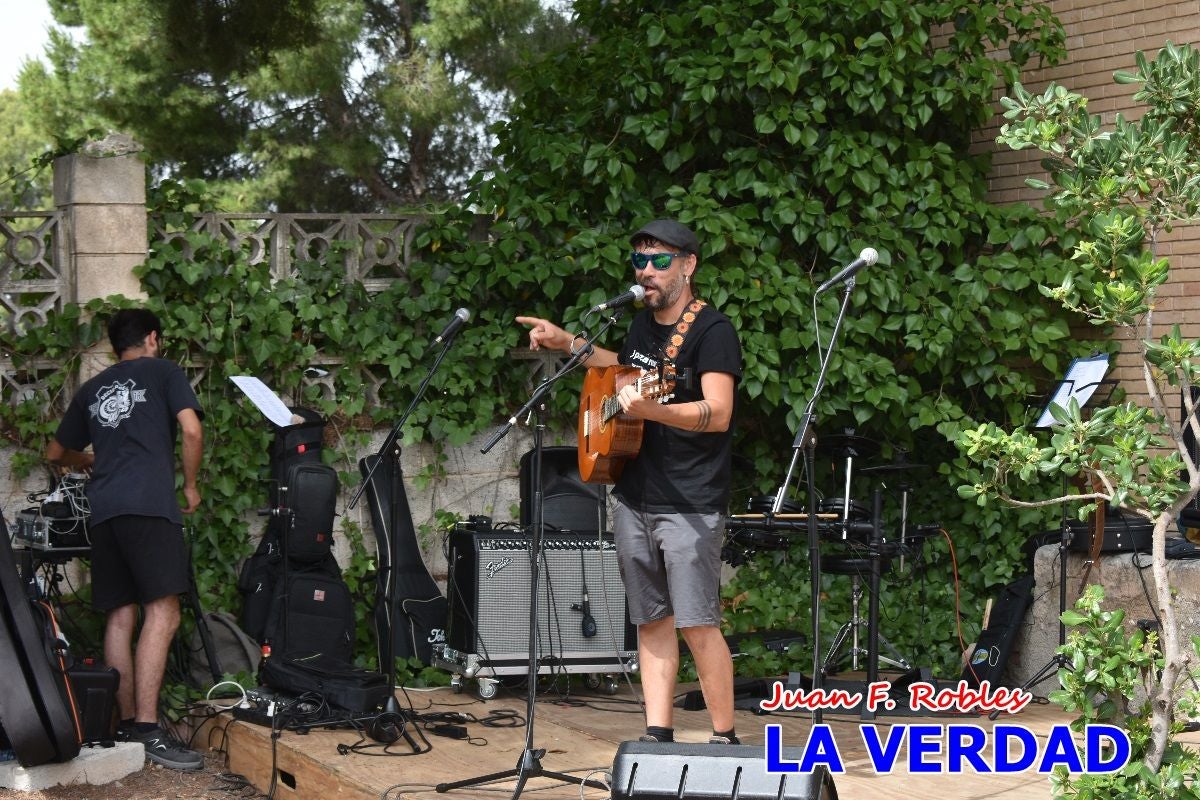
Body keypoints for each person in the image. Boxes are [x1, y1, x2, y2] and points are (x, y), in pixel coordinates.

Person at [517, 219, 742, 745]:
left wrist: (652, 411)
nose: (646, 271)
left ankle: (725, 737)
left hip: (689, 499)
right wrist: (567, 341)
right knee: (651, 619)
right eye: (640, 261)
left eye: (659, 261)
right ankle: (657, 734)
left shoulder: (714, 332)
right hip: (635, 493)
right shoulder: (643, 327)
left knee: (697, 622)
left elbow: (720, 412)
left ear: (688, 265)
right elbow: (621, 369)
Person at [47, 307, 205, 771]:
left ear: (115, 345)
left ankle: (127, 724)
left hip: (104, 513)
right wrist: (191, 485)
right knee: (164, 611)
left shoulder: (92, 389)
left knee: (120, 615)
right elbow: (192, 429)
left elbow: (56, 452)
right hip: (149, 506)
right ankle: (149, 728)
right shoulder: (164, 371)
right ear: (153, 338)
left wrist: (86, 462)